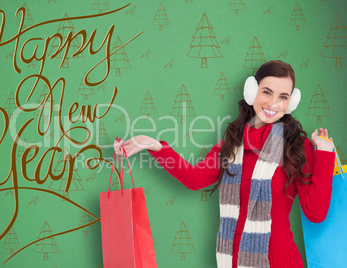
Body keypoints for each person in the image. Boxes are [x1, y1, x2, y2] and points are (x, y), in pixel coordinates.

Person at [113, 60, 336, 268]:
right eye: (267, 92)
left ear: (291, 102)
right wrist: (154, 146)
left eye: (283, 97)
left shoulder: (296, 146)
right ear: (252, 91)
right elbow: (195, 179)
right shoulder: (231, 145)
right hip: (232, 260)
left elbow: (315, 213)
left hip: (280, 261)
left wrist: (324, 154)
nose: (273, 103)